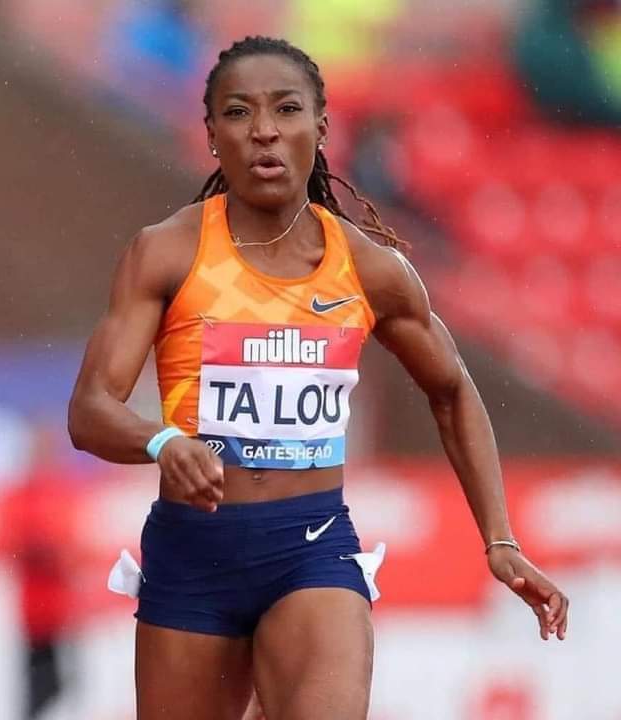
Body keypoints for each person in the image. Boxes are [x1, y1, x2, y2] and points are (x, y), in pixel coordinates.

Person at [68, 36, 569, 720]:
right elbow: (90, 409)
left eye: (287, 109)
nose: (265, 130)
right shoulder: (167, 253)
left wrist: (500, 539)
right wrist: (163, 443)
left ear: (321, 128)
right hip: (194, 556)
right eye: (239, 113)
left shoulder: (370, 269)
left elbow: (451, 391)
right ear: (212, 135)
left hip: (311, 548)